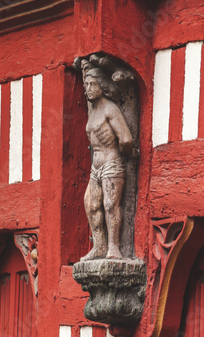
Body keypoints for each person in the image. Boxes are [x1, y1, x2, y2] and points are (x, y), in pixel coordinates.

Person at [80, 67, 133, 261]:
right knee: (91, 204)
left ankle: (113, 247)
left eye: (92, 84)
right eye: (86, 85)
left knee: (110, 204)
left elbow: (126, 139)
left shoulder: (110, 109)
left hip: (112, 162)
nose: (88, 89)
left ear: (102, 86)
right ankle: (99, 246)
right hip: (96, 167)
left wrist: (128, 153)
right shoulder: (92, 110)